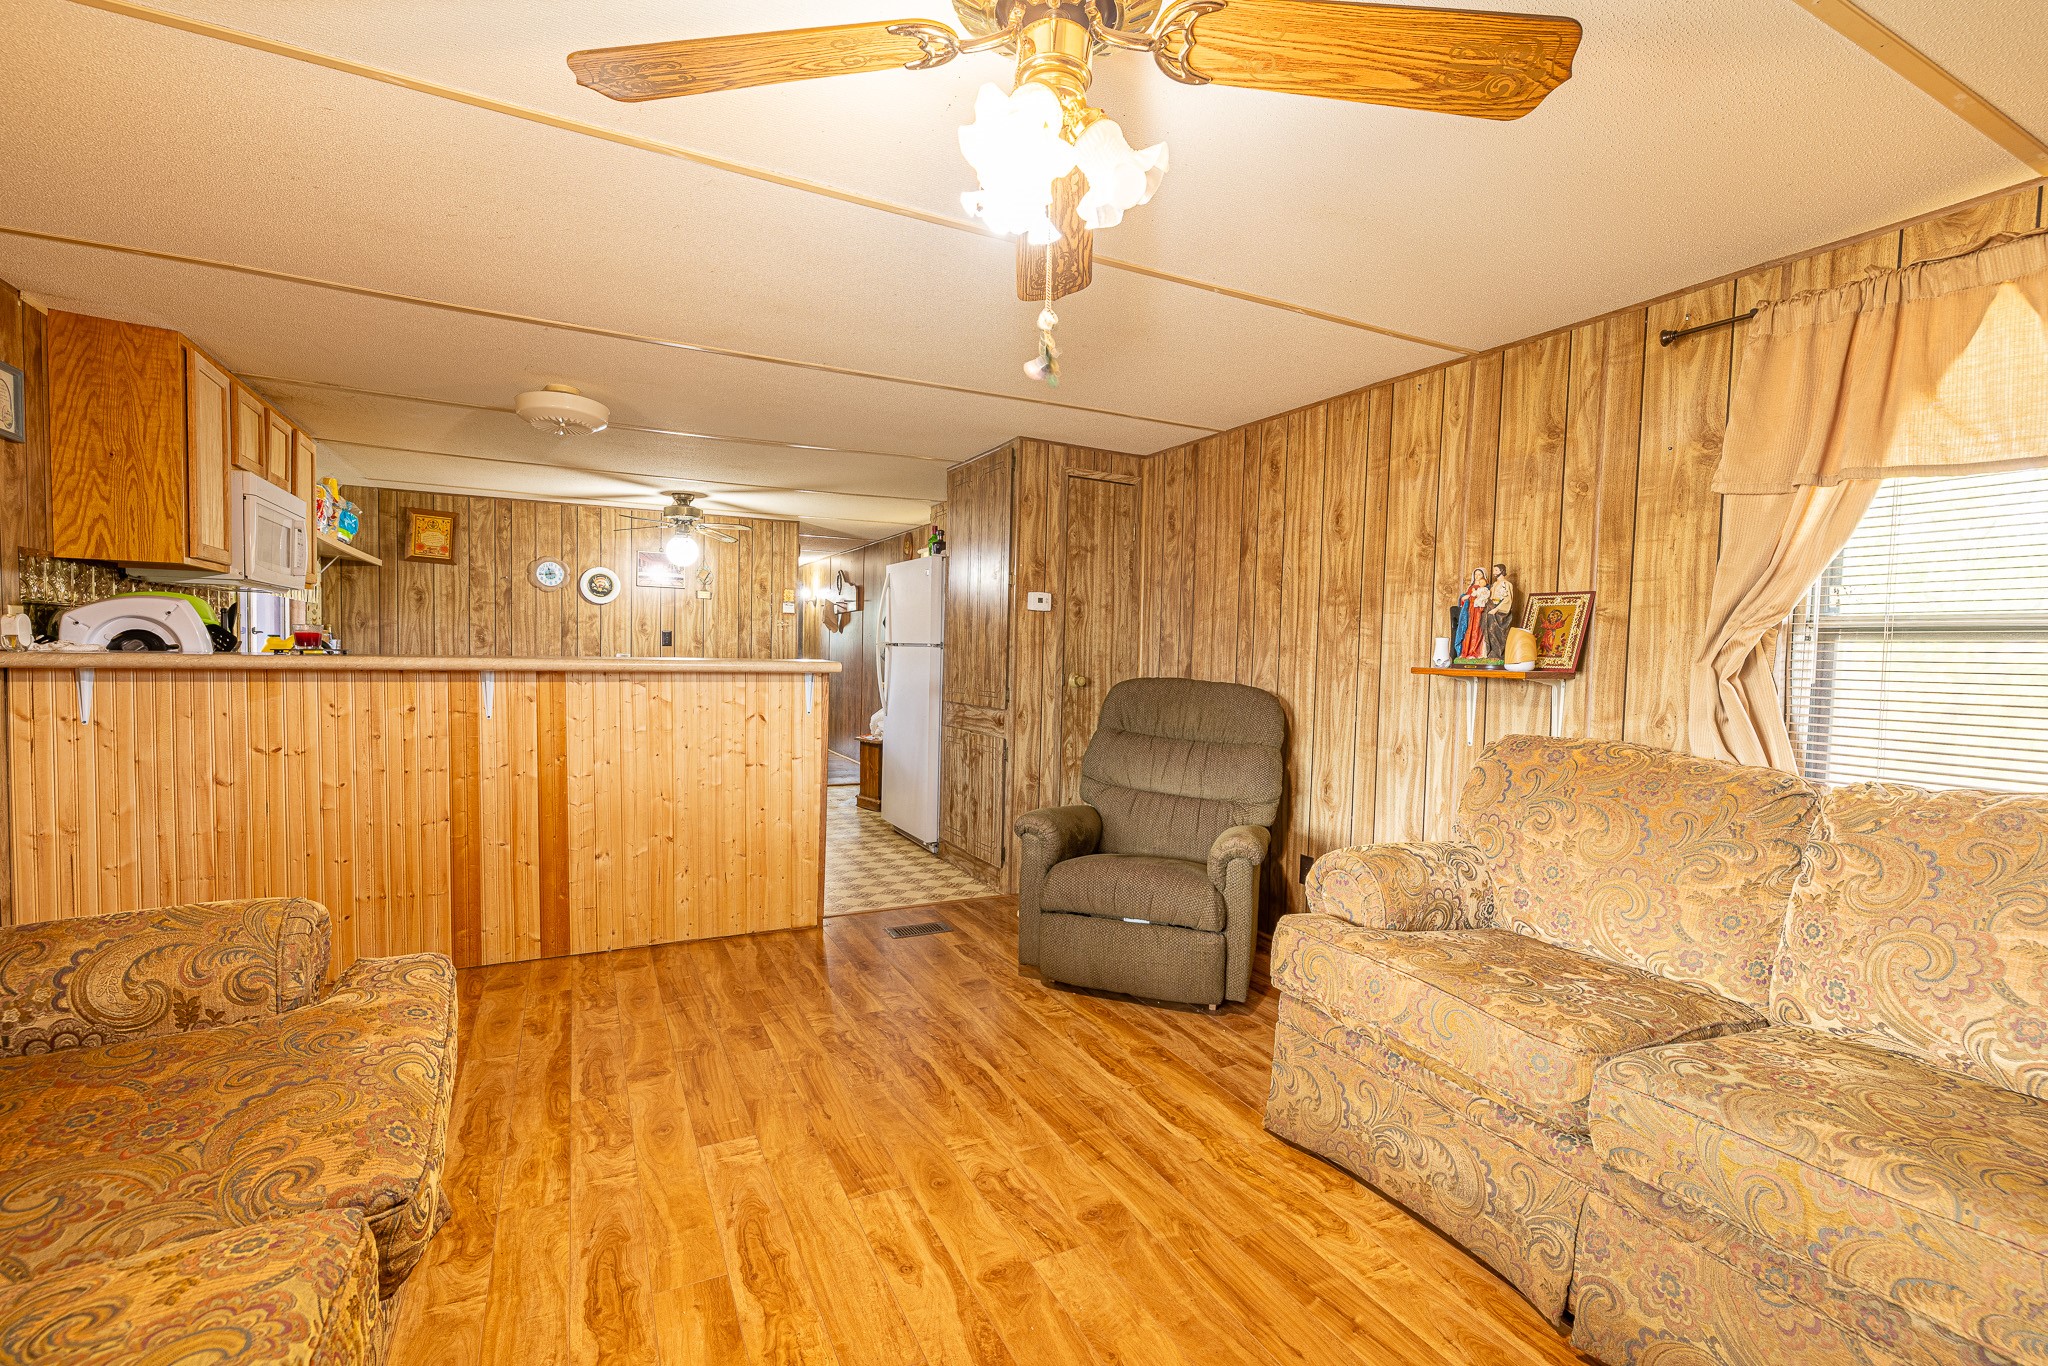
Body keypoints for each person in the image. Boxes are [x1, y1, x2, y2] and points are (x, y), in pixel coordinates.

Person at [1482, 564, 1515, 660]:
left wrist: (1497, 609)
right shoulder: (1494, 584)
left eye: (1496, 570)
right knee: (1487, 630)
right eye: (1494, 570)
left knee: (1497, 631)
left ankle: (1498, 653)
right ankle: (1490, 652)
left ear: (1502, 571)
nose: (1494, 572)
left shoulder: (1507, 584)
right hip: (1490, 608)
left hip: (1500, 612)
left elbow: (1508, 599)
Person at [1458, 568, 1489, 658]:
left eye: (1479, 574)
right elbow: (1465, 598)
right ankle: (1467, 651)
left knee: (1477, 629)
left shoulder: (1485, 588)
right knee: (1468, 629)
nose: (1477, 576)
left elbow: (1485, 598)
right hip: (1470, 611)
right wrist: (1464, 598)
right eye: (1476, 574)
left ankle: (1476, 651)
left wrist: (1471, 596)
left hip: (1479, 611)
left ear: (1483, 576)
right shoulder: (1471, 587)